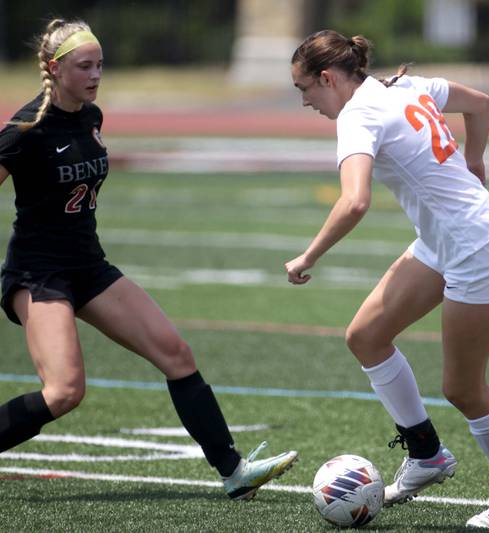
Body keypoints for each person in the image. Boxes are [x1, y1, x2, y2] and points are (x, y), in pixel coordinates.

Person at [0, 19, 298, 500]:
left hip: (89, 267)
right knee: (64, 392)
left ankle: (234, 472)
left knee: (176, 354)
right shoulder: (23, 131)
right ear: (54, 69)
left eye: (100, 64)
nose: (96, 74)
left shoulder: (91, 116)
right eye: (84, 66)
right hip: (39, 274)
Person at [286, 29, 489, 528]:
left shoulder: (358, 116)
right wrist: (474, 159)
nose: (305, 102)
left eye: (305, 90)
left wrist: (308, 255)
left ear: (327, 78)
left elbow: (354, 201)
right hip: (444, 242)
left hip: (480, 248)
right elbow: (480, 103)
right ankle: (426, 455)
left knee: (463, 388)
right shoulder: (403, 87)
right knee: (366, 336)